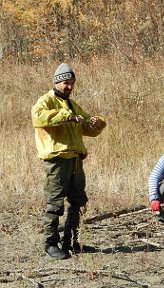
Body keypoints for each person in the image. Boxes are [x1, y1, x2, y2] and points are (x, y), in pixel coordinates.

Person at [31, 63, 107, 260]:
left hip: (75, 160)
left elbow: (88, 125)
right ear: (57, 82)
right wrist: (66, 116)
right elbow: (38, 118)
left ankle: (71, 242)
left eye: (72, 83)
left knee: (78, 201)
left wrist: (97, 123)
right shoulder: (45, 101)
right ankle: (50, 244)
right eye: (66, 83)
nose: (70, 87)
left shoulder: (72, 104)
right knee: (55, 203)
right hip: (57, 160)